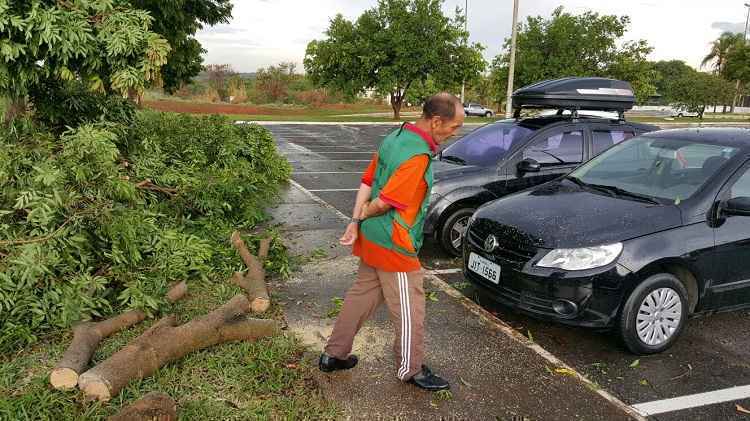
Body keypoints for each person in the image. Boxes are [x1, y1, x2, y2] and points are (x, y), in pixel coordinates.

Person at [319, 93, 465, 391]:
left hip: (373, 236)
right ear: (436, 121)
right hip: (393, 243)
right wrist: (362, 215)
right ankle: (411, 369)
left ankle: (333, 355)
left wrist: (356, 222)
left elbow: (367, 181)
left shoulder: (395, 136)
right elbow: (384, 201)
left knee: (361, 296)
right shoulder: (418, 156)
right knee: (411, 308)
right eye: (454, 127)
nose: (455, 133)